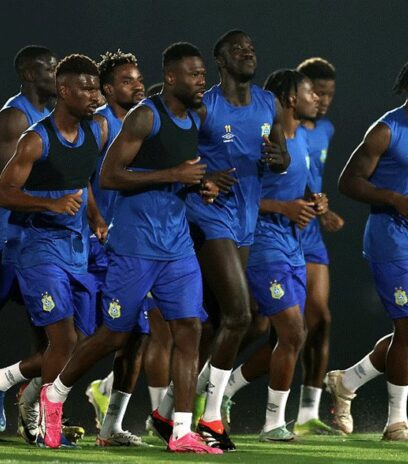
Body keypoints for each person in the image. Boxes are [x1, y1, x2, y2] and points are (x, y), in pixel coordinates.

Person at [38, 42, 220, 454]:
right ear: (171, 77)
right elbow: (109, 175)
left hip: (177, 246)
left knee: (189, 329)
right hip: (134, 246)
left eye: (203, 74)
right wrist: (173, 174)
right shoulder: (145, 116)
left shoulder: (195, 118)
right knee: (115, 335)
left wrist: (200, 185)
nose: (201, 81)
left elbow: (181, 175)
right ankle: (55, 394)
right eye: (194, 74)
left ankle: (181, 431)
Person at [158, 29, 289, 452]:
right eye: (238, 49)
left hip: (246, 218)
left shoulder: (269, 104)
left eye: (251, 48)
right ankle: (211, 417)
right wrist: (202, 179)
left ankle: (167, 408)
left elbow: (281, 156)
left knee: (220, 322)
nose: (248, 53)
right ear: (220, 61)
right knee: (240, 313)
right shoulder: (205, 106)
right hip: (208, 214)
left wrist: (280, 159)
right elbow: (173, 152)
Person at [325, 56, 408, 441]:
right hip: (390, 241)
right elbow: (348, 181)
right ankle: (396, 422)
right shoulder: (387, 130)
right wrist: (393, 199)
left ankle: (347, 381)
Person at [0, 53, 107, 448]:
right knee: (63, 340)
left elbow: (83, 178)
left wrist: (96, 217)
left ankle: (6, 383)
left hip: (77, 249)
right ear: (63, 90)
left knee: (81, 342)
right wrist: (50, 203)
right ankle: (46, 425)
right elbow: (3, 192)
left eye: (96, 88)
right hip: (38, 248)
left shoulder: (97, 131)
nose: (94, 95)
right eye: (86, 88)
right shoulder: (36, 138)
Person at [0, 45, 57, 443]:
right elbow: (4, 185)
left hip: (34, 233)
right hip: (0, 235)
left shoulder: (54, 116)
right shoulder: (15, 117)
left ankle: (35, 413)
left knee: (48, 328)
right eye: (49, 69)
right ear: (28, 74)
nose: (56, 74)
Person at [245, 69, 320, 441]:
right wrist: (283, 208)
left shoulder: (301, 138)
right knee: (292, 332)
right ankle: (273, 424)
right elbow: (241, 195)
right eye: (310, 92)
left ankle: (216, 389)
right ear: (290, 99)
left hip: (293, 247)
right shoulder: (262, 141)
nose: (317, 98)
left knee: (287, 336)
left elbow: (299, 189)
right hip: (263, 245)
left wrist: (313, 202)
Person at [83, 49, 150, 446]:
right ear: (108, 89)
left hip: (135, 244)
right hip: (97, 245)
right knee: (92, 334)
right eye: (127, 81)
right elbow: (81, 177)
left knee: (137, 335)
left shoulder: (148, 121)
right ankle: (37, 394)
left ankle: (111, 426)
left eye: (139, 79)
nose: (137, 86)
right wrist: (96, 220)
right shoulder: (101, 124)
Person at [294, 56, 345, 435]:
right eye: (317, 93)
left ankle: (308, 413)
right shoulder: (280, 129)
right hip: (278, 230)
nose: (323, 101)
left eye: (329, 94)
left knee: (320, 320)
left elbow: (313, 181)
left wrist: (324, 211)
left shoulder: (325, 129)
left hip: (310, 233)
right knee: (264, 325)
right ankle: (222, 388)